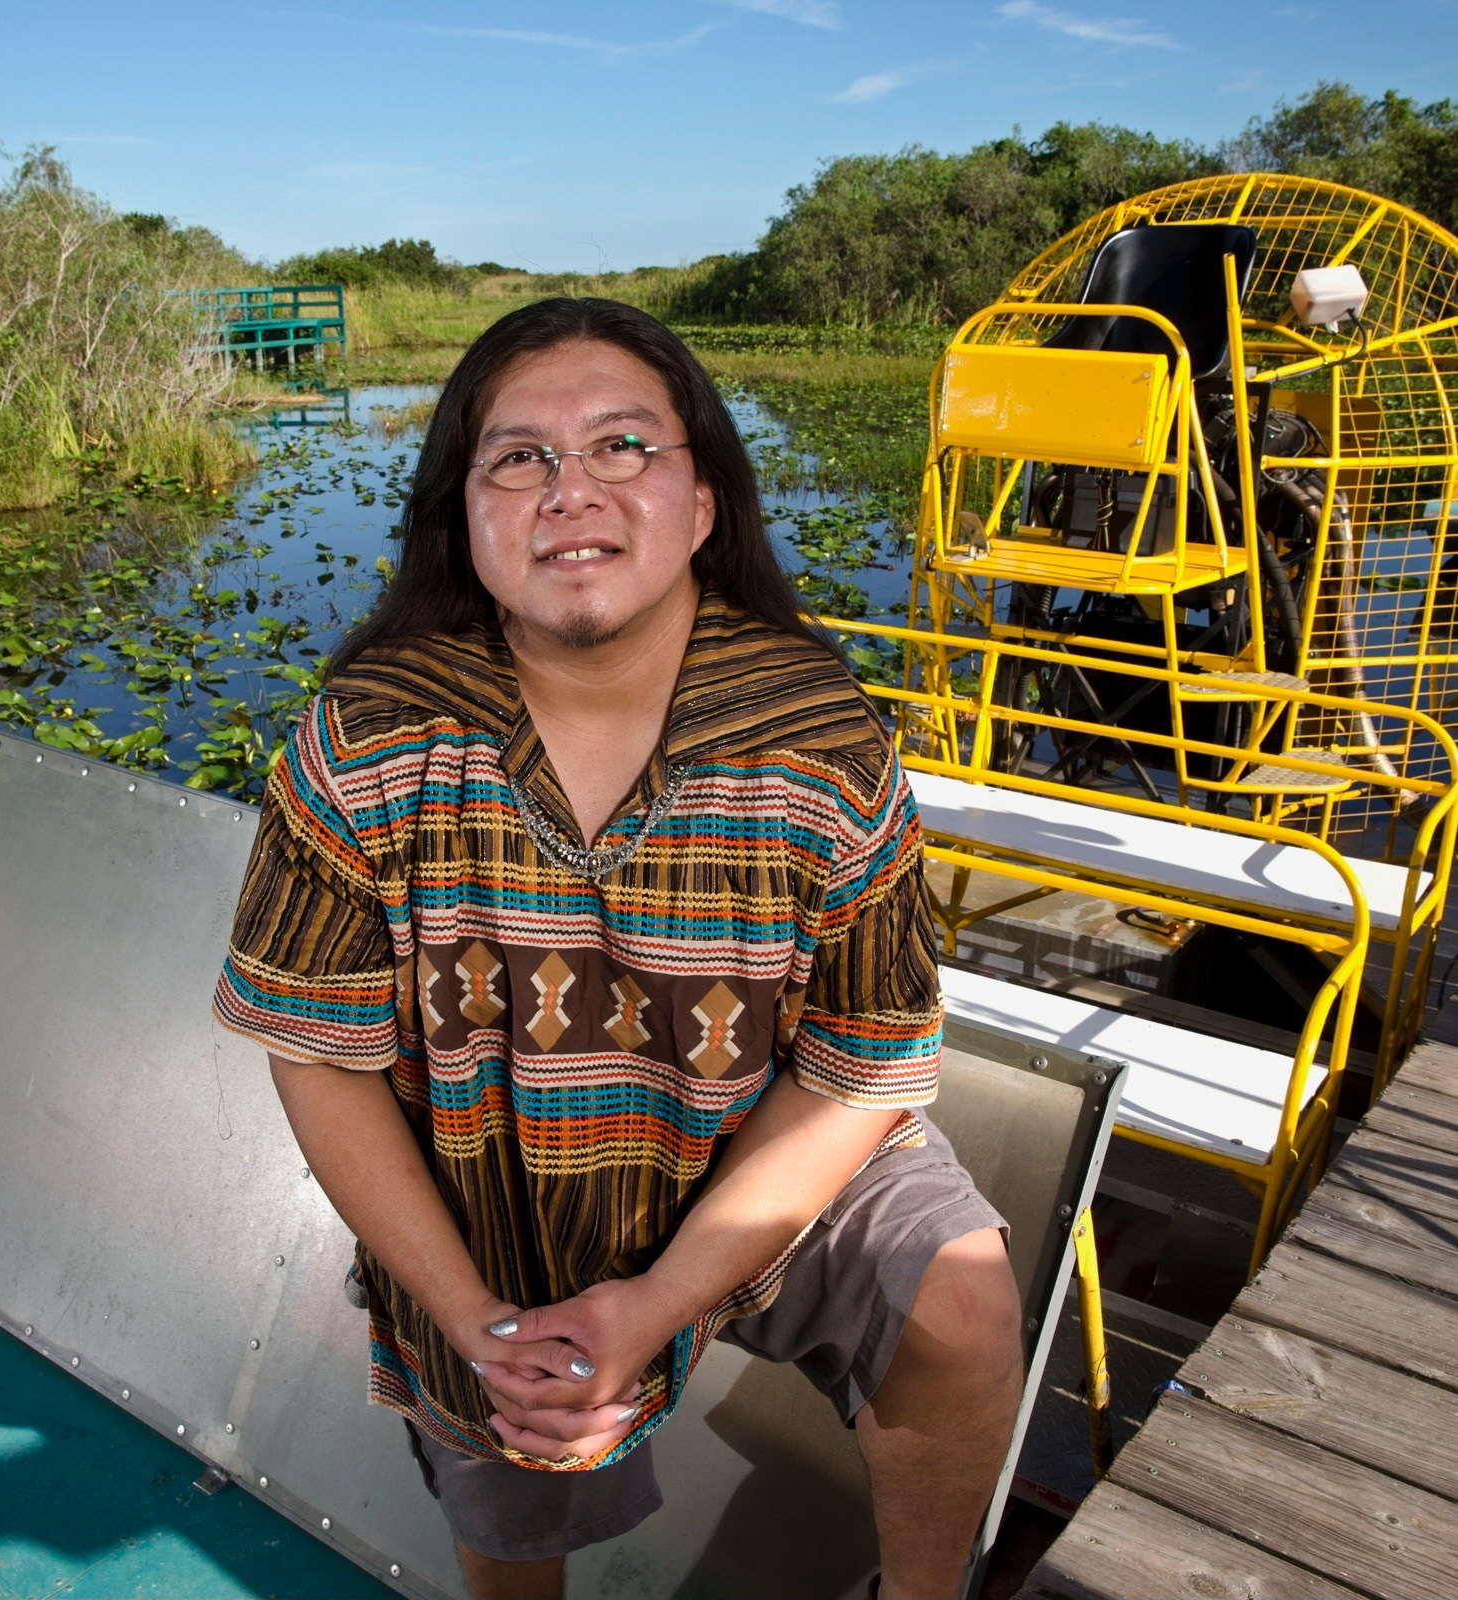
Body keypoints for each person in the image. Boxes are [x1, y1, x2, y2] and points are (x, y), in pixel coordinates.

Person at [213, 297, 1022, 1600]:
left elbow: (861, 1068)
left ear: (704, 505)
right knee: (511, 1440)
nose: (570, 487)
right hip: (490, 1164)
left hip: (760, 1132)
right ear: (464, 522)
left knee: (961, 1295)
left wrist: (657, 1302)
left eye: (624, 447)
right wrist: (472, 1320)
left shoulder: (822, 741)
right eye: (518, 457)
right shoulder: (366, 740)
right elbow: (319, 1057)